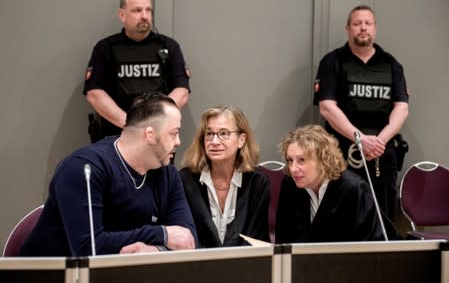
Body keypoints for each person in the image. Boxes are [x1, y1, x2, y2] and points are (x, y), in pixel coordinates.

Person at [20, 94, 196, 256]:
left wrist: (156, 250)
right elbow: (88, 248)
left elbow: (187, 240)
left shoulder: (167, 174)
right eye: (174, 133)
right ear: (150, 135)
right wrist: (161, 234)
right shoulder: (84, 168)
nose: (179, 142)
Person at [313, 5, 409, 220]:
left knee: (382, 214)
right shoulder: (332, 61)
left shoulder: (391, 64)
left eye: (368, 23)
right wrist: (360, 139)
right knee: (340, 213)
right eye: (357, 23)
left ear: (375, 28)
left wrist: (379, 142)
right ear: (348, 28)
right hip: (341, 152)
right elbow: (327, 107)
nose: (363, 28)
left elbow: (401, 108)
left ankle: (381, 255)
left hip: (381, 153)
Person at [83, 0, 191, 142]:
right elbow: (94, 94)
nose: (145, 16)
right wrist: (130, 125)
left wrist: (155, 121)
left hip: (158, 136)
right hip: (116, 135)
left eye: (148, 10)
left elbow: (182, 91)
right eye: (137, 10)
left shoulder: (168, 46)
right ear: (122, 15)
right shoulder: (105, 48)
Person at [275, 125, 401, 243]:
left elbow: (371, 242)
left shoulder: (352, 188)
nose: (293, 169)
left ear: (323, 159)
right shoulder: (290, 184)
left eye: (301, 160)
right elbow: (284, 238)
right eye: (290, 160)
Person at [179, 106, 270, 247]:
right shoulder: (186, 180)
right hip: (199, 265)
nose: (214, 141)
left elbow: (256, 238)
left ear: (241, 140)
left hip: (244, 265)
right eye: (209, 134)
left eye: (223, 133)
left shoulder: (257, 182)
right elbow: (188, 236)